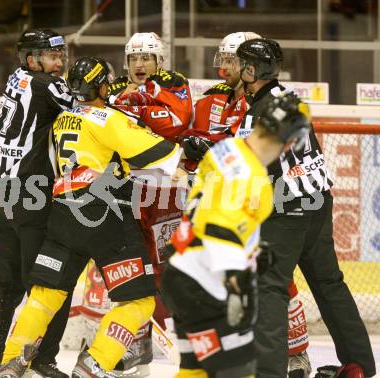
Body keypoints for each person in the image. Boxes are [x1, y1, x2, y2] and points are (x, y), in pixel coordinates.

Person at [0, 56, 182, 378]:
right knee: (140, 302)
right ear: (101, 85)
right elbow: (163, 153)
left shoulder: (63, 118)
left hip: (63, 213)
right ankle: (94, 364)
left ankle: (12, 362)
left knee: (45, 294)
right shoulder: (108, 118)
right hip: (104, 212)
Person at [234, 38, 376, 378]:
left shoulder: (257, 112)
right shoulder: (289, 98)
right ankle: (359, 365)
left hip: (287, 209)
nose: (234, 70)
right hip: (317, 202)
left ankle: (268, 372)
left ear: (251, 70)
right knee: (329, 282)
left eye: (240, 64)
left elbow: (249, 166)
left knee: (269, 285)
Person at [161, 92, 312, 378]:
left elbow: (211, 210)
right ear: (292, 140)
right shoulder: (254, 179)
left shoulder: (225, 149)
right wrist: (237, 282)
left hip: (178, 271)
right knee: (239, 372)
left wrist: (251, 251)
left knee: (194, 371)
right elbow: (222, 228)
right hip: (206, 282)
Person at [190, 32, 312, 378]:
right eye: (226, 60)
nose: (227, 67)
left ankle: (297, 354)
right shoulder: (213, 99)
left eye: (235, 61)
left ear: (251, 68)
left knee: (275, 281)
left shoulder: (266, 99)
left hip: (264, 199)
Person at [74, 32, 194, 376]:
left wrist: (134, 107)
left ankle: (181, 339)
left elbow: (177, 120)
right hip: (125, 191)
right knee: (129, 268)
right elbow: (107, 122)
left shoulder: (173, 82)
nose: (140, 65)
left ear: (159, 61)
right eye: (134, 58)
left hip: (165, 191)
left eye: (147, 58)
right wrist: (141, 111)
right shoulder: (113, 87)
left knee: (166, 267)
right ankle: (133, 341)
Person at [0, 28, 73, 378]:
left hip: (2, 191)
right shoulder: (46, 85)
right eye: (52, 56)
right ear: (32, 60)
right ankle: (41, 358)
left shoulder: (16, 78)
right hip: (31, 193)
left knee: (5, 278)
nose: (59, 63)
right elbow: (86, 105)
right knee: (48, 280)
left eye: (61, 55)